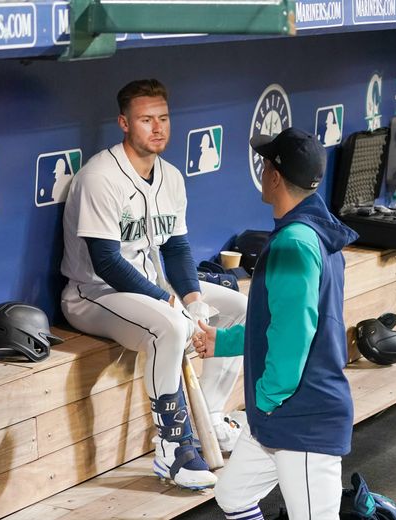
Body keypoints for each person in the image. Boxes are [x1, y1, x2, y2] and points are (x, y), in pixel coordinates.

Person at [60, 78, 245, 490]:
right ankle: (172, 447)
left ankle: (208, 418)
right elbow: (105, 263)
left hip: (152, 287)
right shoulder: (100, 177)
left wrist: (193, 297)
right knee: (171, 325)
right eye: (146, 120)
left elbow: (177, 249)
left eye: (163, 118)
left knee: (236, 306)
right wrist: (168, 301)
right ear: (124, 123)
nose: (158, 128)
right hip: (94, 294)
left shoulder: (172, 177)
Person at [193, 127, 359, 519]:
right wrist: (226, 341)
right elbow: (276, 320)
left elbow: (293, 334)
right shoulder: (311, 233)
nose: (263, 169)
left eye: (266, 162)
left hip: (299, 418)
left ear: (274, 175)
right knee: (232, 496)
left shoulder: (294, 244)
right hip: (279, 417)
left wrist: (267, 400)